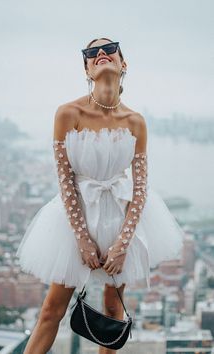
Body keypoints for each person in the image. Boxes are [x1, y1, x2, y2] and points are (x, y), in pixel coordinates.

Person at [16, 37, 185, 354]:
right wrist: (81, 237)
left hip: (119, 218)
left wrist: (123, 244)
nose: (101, 54)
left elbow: (140, 186)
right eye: (92, 52)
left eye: (110, 49)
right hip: (75, 216)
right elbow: (65, 178)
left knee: (112, 311)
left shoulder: (136, 121)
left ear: (123, 64)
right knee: (52, 310)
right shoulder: (68, 113)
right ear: (86, 68)